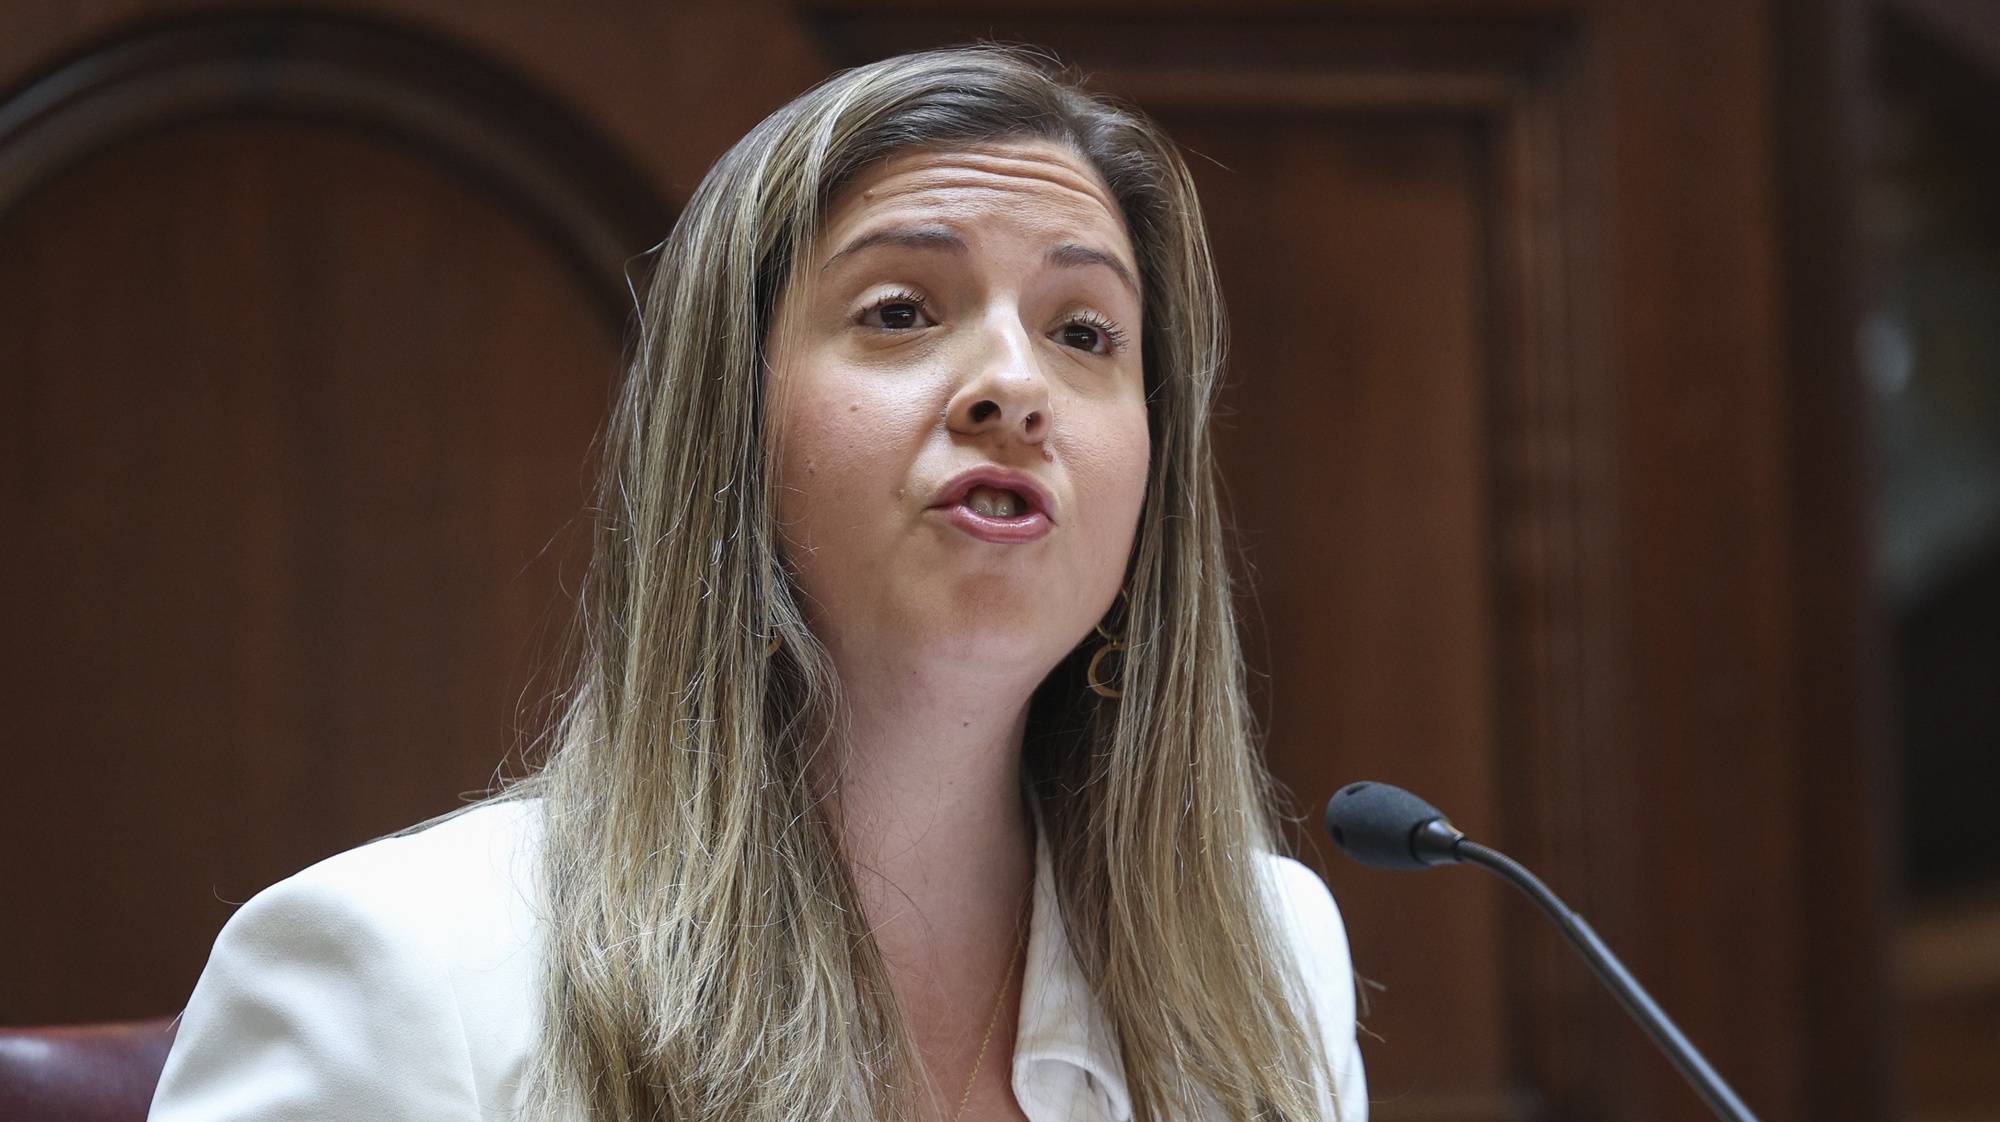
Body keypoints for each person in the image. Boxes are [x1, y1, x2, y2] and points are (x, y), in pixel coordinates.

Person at [147, 45, 1367, 1122]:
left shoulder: (1264, 958)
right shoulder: (399, 974)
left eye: (1084, 332)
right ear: (726, 428)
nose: (1012, 382)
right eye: (899, 311)